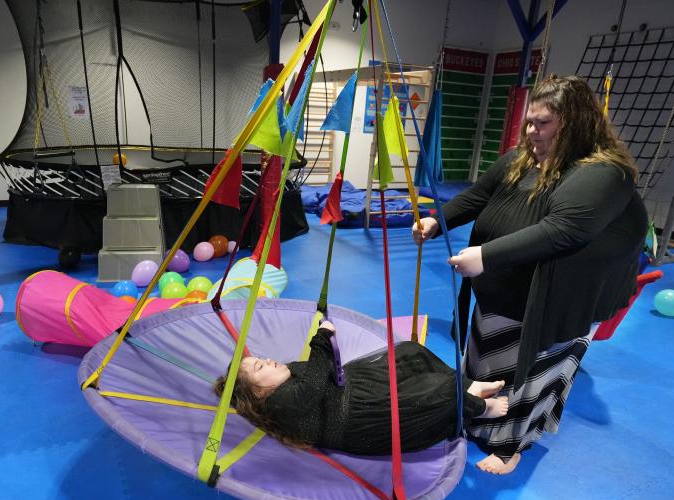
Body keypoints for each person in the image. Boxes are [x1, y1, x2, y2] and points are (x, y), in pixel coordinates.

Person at [412, 74, 648, 475]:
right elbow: (478, 195)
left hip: (559, 300)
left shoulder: (604, 173)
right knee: (486, 361)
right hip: (504, 291)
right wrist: (438, 221)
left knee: (532, 371)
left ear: (573, 124)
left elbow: (565, 230)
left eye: (543, 123)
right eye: (529, 121)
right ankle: (477, 416)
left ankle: (510, 447)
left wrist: (486, 255)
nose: (531, 130)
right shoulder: (523, 158)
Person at [213, 321, 509, 455]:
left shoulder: (284, 378)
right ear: (259, 394)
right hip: (359, 416)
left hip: (355, 387)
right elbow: (316, 379)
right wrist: (322, 338)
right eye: (260, 368)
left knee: (409, 352)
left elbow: (322, 371)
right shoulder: (280, 404)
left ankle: (468, 385)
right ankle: (480, 407)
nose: (267, 360)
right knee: (427, 398)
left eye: (261, 359)